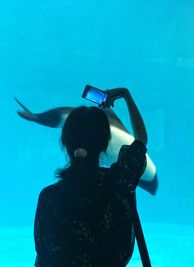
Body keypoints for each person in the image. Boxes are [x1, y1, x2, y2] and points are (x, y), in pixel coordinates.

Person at [34, 88, 153, 267]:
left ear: (64, 143)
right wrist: (126, 95)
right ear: (105, 144)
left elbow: (44, 255)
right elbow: (141, 139)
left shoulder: (49, 197)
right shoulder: (121, 182)